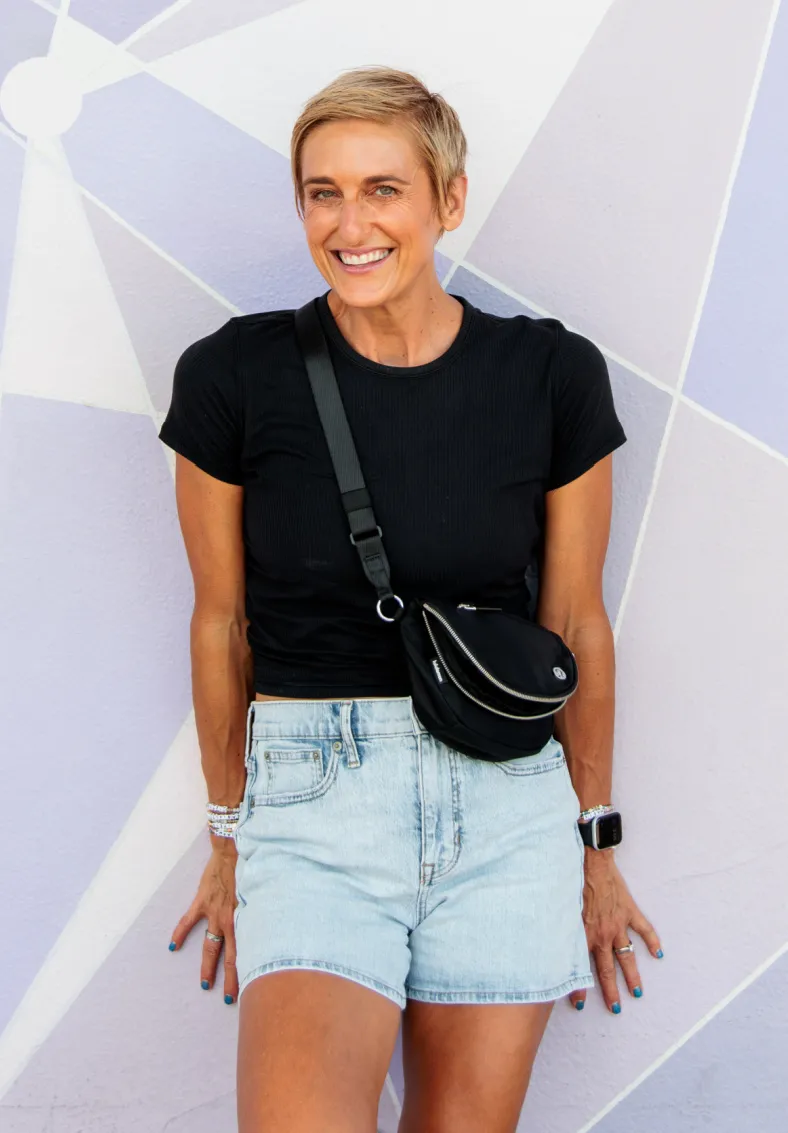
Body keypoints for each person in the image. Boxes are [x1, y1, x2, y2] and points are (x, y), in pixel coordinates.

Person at [159, 65, 663, 1133]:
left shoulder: (549, 373)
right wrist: (229, 833)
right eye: (322, 191)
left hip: (505, 811)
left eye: (382, 189)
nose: (350, 223)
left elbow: (574, 623)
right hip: (312, 803)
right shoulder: (233, 376)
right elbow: (221, 622)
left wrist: (594, 843)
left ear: (448, 198)